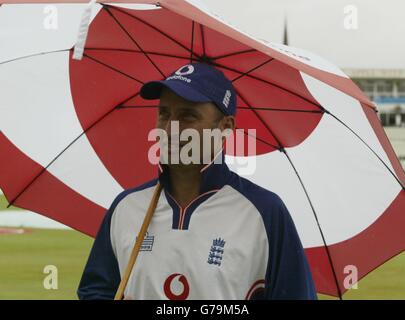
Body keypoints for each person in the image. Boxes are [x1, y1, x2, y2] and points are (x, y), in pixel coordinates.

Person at [77, 62, 317, 300]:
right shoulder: (126, 206)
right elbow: (95, 290)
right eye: (164, 114)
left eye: (188, 116)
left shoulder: (265, 212)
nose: (170, 128)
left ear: (225, 127)